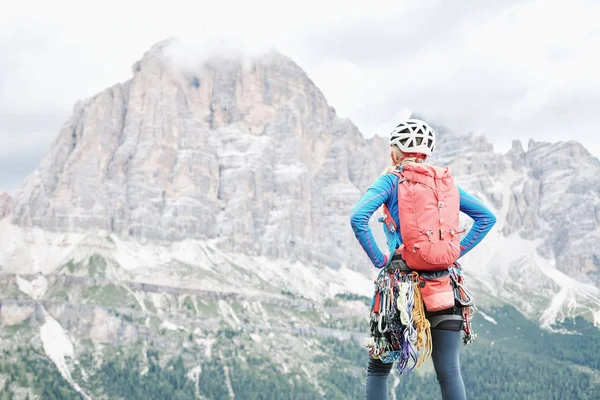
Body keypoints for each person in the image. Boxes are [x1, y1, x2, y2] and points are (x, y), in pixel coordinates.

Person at [349, 119, 497, 400]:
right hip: (446, 284)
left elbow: (358, 217)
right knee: (450, 371)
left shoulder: (392, 180)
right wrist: (454, 252)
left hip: (400, 287)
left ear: (394, 152)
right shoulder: (445, 184)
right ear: (427, 153)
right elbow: (487, 218)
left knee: (379, 369)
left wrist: (380, 259)